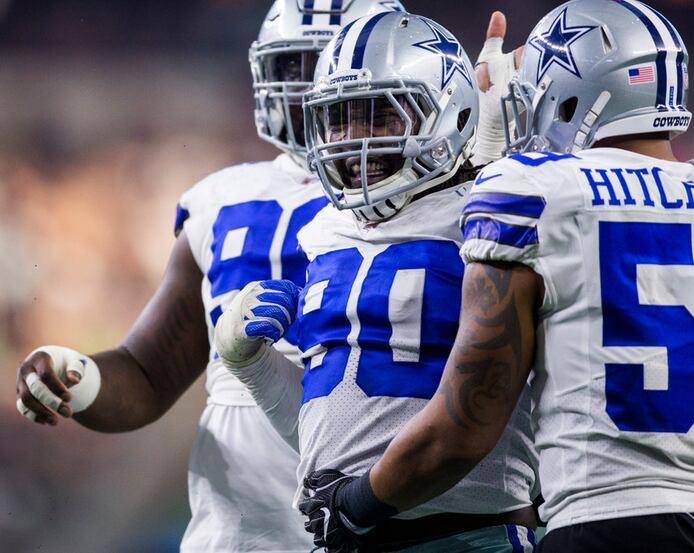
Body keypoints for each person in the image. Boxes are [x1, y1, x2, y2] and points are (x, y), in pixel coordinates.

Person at [294, 1, 694, 552]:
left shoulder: (535, 192)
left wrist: (356, 504)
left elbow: (469, 420)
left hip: (602, 527)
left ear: (572, 94)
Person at [13, 1, 404, 551]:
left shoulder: (437, 198)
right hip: (239, 530)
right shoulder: (221, 200)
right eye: (293, 68)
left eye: (325, 68)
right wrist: (74, 375)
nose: (307, 90)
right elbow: (149, 372)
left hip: (386, 513)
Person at [214, 12, 539, 553]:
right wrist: (252, 368)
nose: (352, 140)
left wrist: (503, 160)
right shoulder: (326, 232)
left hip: (467, 535)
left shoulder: (492, 212)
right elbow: (338, 437)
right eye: (339, 120)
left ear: (450, 110)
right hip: (355, 529)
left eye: (379, 116)